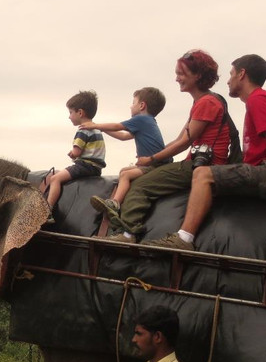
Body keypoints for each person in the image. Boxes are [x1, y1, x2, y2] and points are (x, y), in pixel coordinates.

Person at [145, 54, 266, 251]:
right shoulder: (257, 102)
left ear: (242, 75)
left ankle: (184, 239)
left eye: (231, 74)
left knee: (203, 174)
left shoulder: (259, 99)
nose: (228, 80)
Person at [90, 50, 233, 241]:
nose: (177, 78)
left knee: (140, 185)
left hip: (203, 166)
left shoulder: (207, 103)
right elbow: (180, 139)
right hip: (200, 163)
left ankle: (128, 233)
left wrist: (151, 159)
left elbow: (185, 142)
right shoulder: (204, 101)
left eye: (181, 74)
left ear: (197, 75)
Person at [79, 87, 168, 217]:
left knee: (126, 175)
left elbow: (117, 126)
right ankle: (121, 196)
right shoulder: (147, 123)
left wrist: (95, 126)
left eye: (133, 103)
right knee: (123, 171)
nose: (130, 106)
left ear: (142, 105)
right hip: (151, 164)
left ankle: (114, 203)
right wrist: (102, 129)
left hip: (155, 165)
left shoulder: (141, 119)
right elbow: (124, 136)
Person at [43, 90, 106, 211]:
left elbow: (77, 153)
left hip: (84, 166)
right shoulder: (97, 129)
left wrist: (72, 153)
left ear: (80, 113)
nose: (69, 116)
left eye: (71, 112)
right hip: (96, 169)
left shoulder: (82, 130)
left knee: (55, 178)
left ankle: (48, 209)